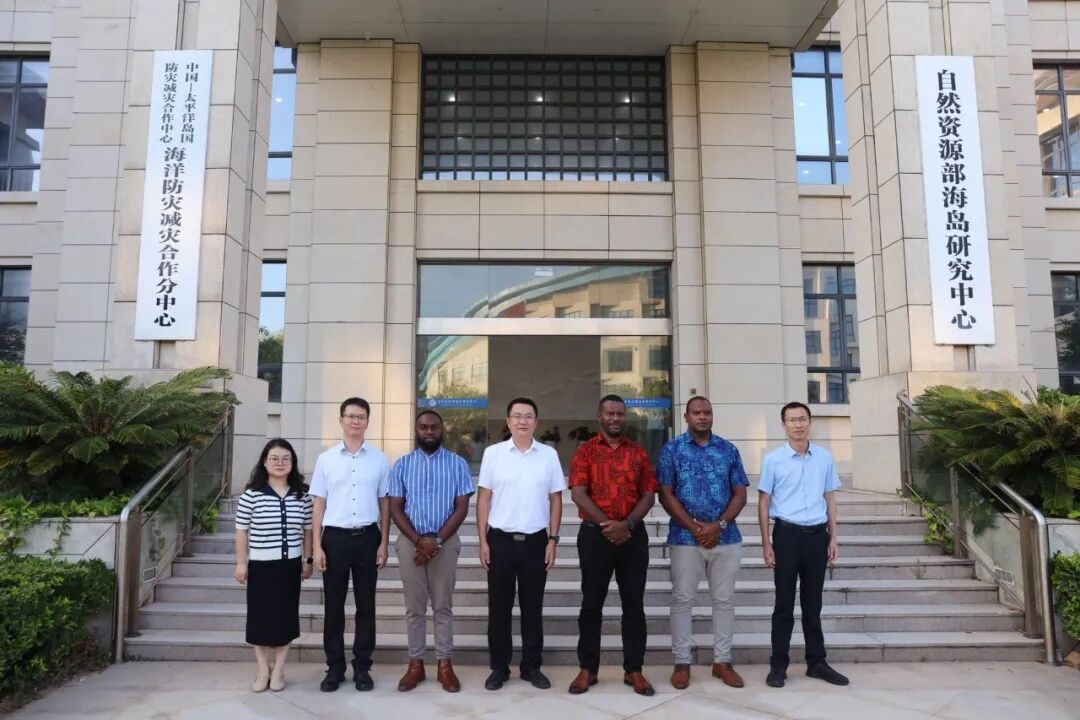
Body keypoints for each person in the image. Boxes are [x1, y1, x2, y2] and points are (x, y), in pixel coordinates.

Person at [567, 395, 657, 696]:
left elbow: (649, 494)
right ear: (600, 416)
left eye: (620, 414)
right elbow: (578, 493)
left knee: (634, 606)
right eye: (610, 413)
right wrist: (609, 525)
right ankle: (587, 669)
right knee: (591, 604)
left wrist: (627, 525)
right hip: (595, 537)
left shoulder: (638, 452)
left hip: (633, 537)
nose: (615, 418)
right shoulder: (585, 451)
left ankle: (634, 670)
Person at [657, 395, 749, 690]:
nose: (702, 417)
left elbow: (740, 493)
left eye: (707, 412)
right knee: (682, 600)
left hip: (726, 538)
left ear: (712, 416)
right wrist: (695, 528)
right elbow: (665, 493)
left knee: (724, 601)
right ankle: (682, 662)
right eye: (696, 412)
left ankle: (722, 661)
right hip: (685, 539)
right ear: (686, 417)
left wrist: (718, 526)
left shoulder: (728, 450)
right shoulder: (672, 449)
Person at [476, 397, 566, 691]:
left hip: (535, 541)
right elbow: (484, 499)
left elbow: (556, 500)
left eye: (528, 416)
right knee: (498, 609)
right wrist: (483, 541)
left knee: (532, 608)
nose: (522, 421)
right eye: (517, 416)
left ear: (536, 422)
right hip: (500, 541)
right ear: (508, 421)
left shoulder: (548, 455)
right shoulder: (493, 454)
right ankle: (499, 668)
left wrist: (553, 539)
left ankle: (531, 667)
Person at [758, 401, 849, 688]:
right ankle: (778, 665)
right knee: (783, 604)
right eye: (792, 420)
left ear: (810, 422)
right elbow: (763, 502)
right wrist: (766, 543)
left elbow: (830, 498)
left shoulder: (824, 457)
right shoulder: (773, 460)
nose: (798, 424)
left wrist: (833, 536)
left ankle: (816, 662)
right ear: (783, 425)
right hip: (787, 536)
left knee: (813, 604)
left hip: (816, 537)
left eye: (802, 419)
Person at [388, 410, 474, 693]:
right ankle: (416, 664)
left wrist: (435, 540)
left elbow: (461, 507)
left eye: (433, 427)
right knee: (414, 608)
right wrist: (418, 540)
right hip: (409, 543)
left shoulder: (457, 464)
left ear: (441, 429)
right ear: (416, 429)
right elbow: (395, 508)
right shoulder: (402, 464)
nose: (428, 432)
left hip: (445, 543)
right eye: (423, 427)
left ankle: (444, 665)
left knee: (442, 606)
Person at [310, 397, 391, 692]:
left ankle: (362, 668)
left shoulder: (380, 459)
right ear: (341, 420)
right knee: (334, 607)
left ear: (368, 421)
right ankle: (335, 667)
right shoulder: (326, 459)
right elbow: (319, 504)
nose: (356, 421)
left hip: (368, 538)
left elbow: (385, 503)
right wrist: (317, 546)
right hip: (334, 539)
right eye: (351, 416)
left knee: (366, 606)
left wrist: (384, 542)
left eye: (361, 417)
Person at [233, 438, 313, 692]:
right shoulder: (252, 494)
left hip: (290, 566)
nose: (280, 463)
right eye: (274, 459)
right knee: (260, 618)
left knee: (285, 618)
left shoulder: (302, 495)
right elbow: (241, 531)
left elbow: (308, 530)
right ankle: (262, 670)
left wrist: (308, 560)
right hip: (261, 566)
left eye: (286, 459)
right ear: (265, 463)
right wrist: (241, 563)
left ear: (293, 463)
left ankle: (278, 669)